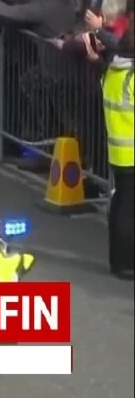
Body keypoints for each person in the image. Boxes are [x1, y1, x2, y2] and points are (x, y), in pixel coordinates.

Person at [103, 25, 134, 280]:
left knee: (120, 204)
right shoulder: (131, 78)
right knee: (127, 210)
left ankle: (117, 260)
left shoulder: (113, 73)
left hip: (117, 151)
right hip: (132, 152)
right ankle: (126, 263)